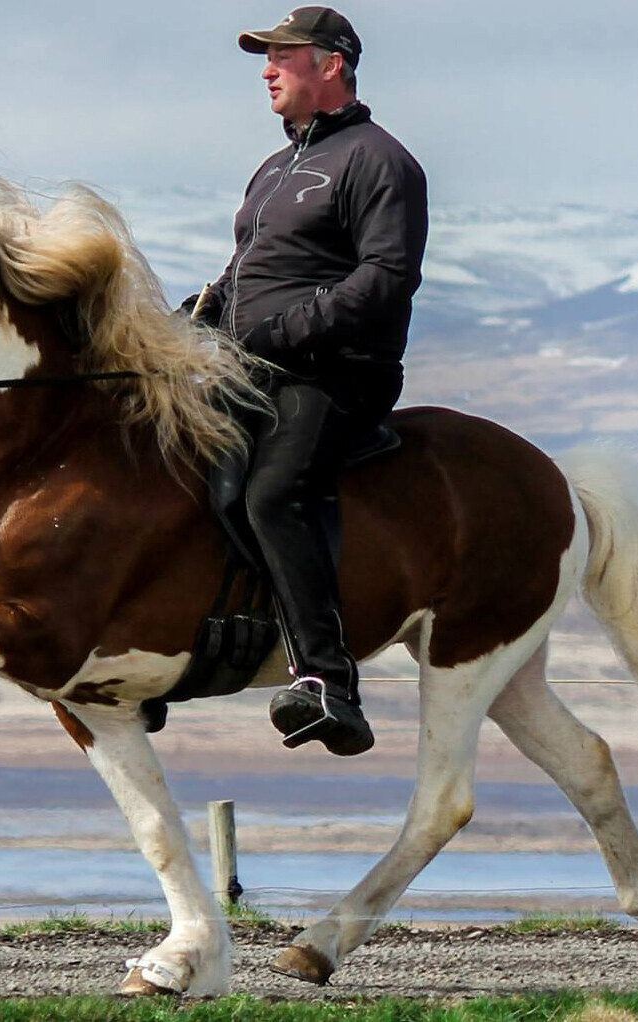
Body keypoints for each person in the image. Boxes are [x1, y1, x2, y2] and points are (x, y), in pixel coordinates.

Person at [187, 6, 428, 756]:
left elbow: (387, 278)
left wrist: (282, 333)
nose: (267, 68)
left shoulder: (379, 160)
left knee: (273, 492)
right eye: (266, 56)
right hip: (257, 368)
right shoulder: (275, 168)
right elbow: (239, 276)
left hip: (337, 374)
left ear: (330, 64)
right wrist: (186, 324)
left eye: (282, 56)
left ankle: (328, 682)